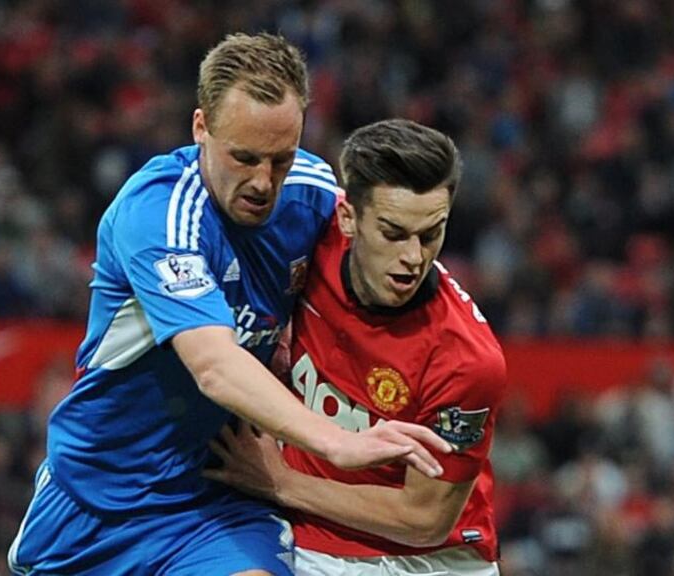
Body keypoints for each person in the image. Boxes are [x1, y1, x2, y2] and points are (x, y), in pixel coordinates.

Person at [7, 34, 450, 576]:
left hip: (218, 499)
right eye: (244, 157)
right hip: (98, 502)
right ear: (201, 129)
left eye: (281, 158)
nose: (264, 182)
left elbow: (388, 259)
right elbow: (214, 365)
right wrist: (335, 442)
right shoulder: (159, 215)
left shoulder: (312, 195)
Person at [205, 119, 507, 575]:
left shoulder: (467, 358)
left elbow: (424, 520)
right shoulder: (311, 236)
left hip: (428, 560)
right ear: (348, 217)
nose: (413, 257)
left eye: (431, 235)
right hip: (307, 535)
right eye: (393, 232)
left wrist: (280, 482)